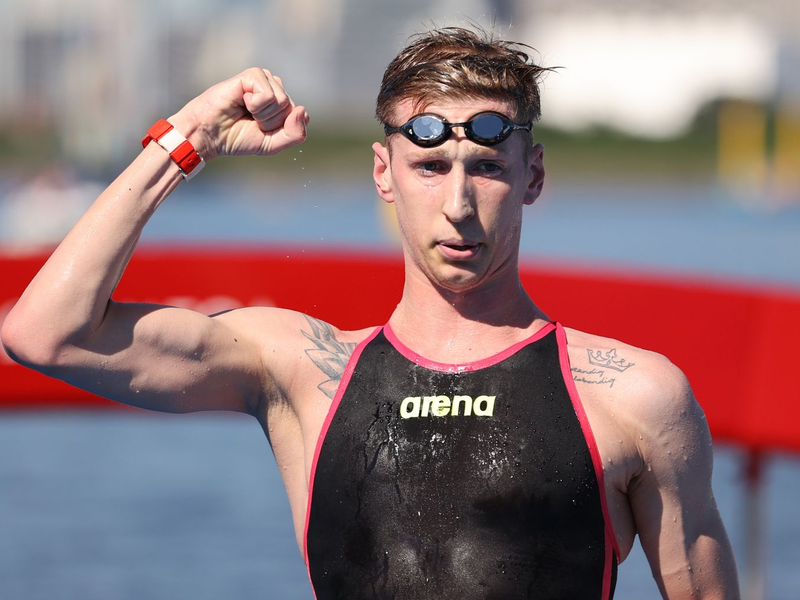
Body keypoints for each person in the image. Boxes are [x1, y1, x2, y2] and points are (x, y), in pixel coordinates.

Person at [1, 27, 740, 599]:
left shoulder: (632, 396)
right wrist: (190, 135)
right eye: (430, 167)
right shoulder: (301, 372)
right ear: (385, 174)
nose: (458, 205)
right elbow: (45, 334)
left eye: (487, 168)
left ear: (533, 175)